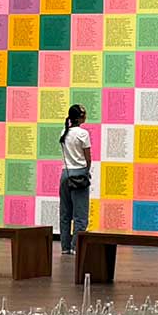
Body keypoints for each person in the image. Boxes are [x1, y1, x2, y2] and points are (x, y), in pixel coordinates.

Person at [58, 103, 92, 254]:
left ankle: (65, 247)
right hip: (79, 174)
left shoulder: (64, 132)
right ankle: (75, 246)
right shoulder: (83, 134)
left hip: (65, 174)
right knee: (80, 215)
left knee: (65, 214)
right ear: (80, 117)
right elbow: (88, 158)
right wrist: (86, 171)